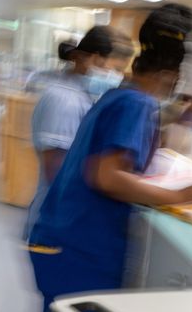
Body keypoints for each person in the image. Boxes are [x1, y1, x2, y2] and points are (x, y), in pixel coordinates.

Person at [27, 4, 192, 312]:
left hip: (60, 240)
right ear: (173, 77)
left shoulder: (118, 97)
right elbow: (107, 177)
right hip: (80, 249)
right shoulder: (137, 105)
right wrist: (180, 197)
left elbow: (123, 149)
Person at [25, 26, 135, 236]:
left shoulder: (84, 96)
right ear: (92, 59)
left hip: (69, 218)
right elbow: (57, 172)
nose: (117, 77)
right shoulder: (64, 100)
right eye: (115, 69)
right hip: (56, 222)